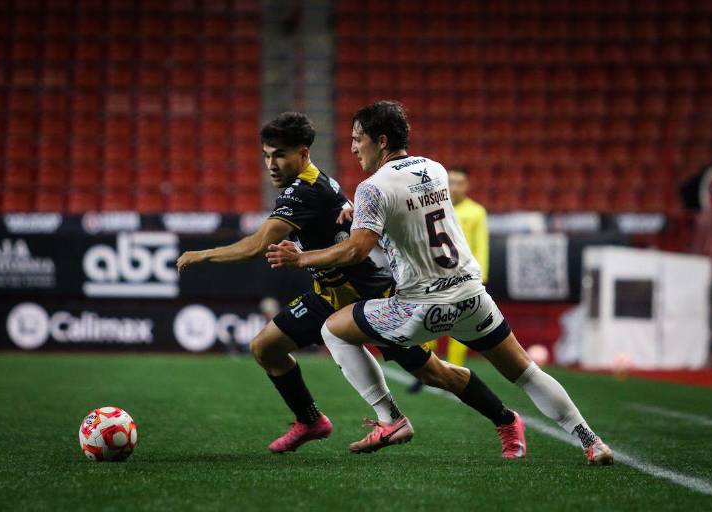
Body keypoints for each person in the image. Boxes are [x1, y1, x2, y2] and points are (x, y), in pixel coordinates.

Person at [266, 101, 613, 465]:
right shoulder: (435, 169)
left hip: (421, 306)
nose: (353, 148)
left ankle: (390, 419)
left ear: (381, 141)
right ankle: (591, 441)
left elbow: (356, 250)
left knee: (333, 330)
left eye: (358, 139)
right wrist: (366, 216)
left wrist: (300, 258)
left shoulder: (371, 188)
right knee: (525, 371)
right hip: (471, 296)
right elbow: (411, 221)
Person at [177, 112, 525, 457]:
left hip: (368, 296)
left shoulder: (305, 191)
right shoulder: (315, 184)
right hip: (328, 296)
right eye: (267, 156)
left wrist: (203, 254)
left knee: (437, 375)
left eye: (279, 155)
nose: (271, 165)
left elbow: (257, 245)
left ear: (303, 153)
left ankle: (506, 419)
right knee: (266, 348)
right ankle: (310, 421)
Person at [408, 166, 488, 392]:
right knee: (429, 322)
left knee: (461, 327)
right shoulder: (434, 206)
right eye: (450, 182)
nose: (454, 187)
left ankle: (455, 373)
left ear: (467, 186)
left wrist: (481, 275)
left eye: (459, 183)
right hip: (435, 275)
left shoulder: (476, 212)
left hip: (464, 277)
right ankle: (428, 369)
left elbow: (481, 244)